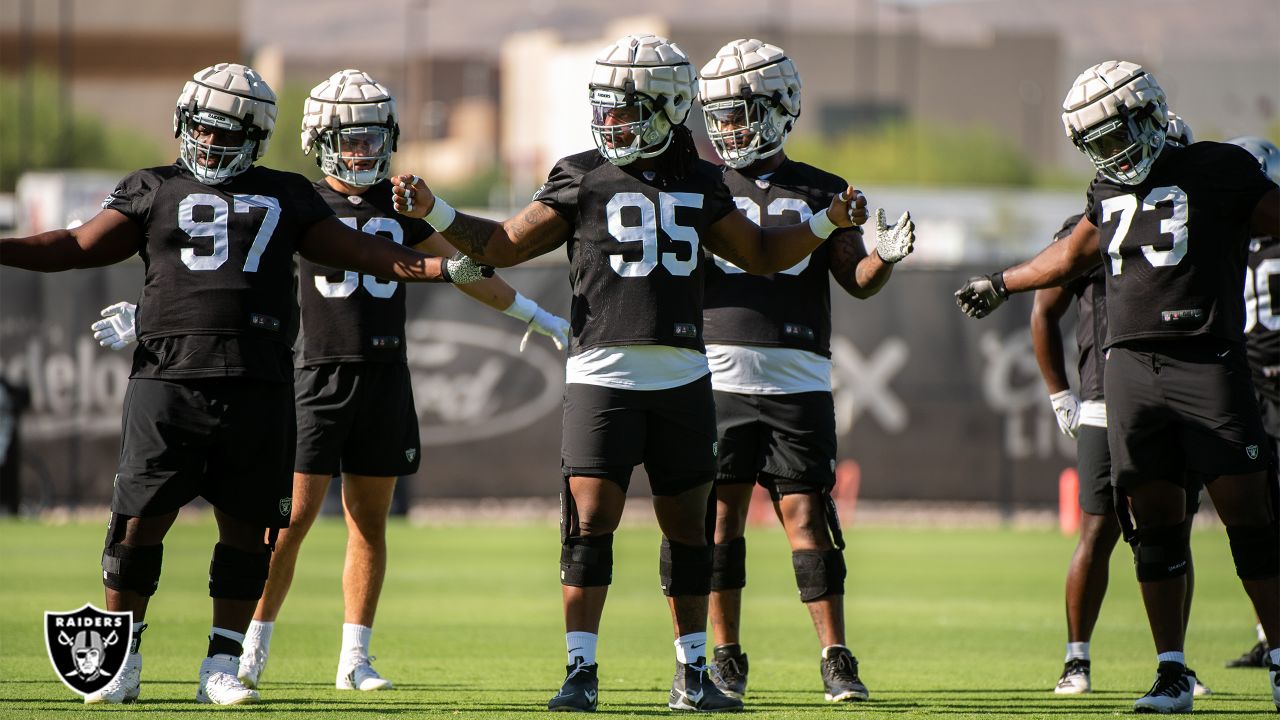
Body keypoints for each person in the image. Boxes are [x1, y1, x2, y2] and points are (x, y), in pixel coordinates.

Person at [392, 33, 883, 713]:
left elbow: (766, 256)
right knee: (588, 524)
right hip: (603, 372)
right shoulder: (580, 172)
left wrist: (829, 219)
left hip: (684, 375)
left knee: (690, 533)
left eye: (627, 107)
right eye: (607, 106)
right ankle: (579, 670)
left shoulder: (704, 181)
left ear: (669, 105)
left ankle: (693, 673)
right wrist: (438, 214)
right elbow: (505, 243)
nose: (611, 120)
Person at [0, 62, 493, 706]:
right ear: (184, 124)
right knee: (137, 524)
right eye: (203, 129)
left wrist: (441, 266)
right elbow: (75, 244)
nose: (210, 142)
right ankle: (123, 657)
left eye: (227, 132)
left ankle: (222, 664)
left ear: (256, 137)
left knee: (249, 528)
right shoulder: (153, 185)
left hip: (258, 380)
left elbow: (364, 251)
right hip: (167, 378)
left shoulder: (289, 193)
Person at [88, 69, 571, 693]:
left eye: (373, 139)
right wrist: (147, 317)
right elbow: (207, 261)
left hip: (383, 371)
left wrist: (536, 314)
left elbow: (463, 267)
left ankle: (354, 658)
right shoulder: (296, 200)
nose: (362, 152)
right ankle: (247, 652)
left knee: (371, 523)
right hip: (312, 373)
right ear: (318, 139)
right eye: (349, 139)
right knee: (283, 525)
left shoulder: (401, 205)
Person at [955, 60, 1280, 714]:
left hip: (1206, 359)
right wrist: (1003, 281)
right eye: (1096, 143)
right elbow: (1074, 252)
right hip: (1129, 371)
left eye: (1115, 135)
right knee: (1154, 528)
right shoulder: (1106, 189)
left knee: (1253, 521)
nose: (1111, 152)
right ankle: (1171, 671)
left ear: (1150, 114)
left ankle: (1278, 660)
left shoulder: (1216, 167)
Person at [693, 38, 913, 704]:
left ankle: (835, 656)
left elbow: (857, 281)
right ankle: (725, 655)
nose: (728, 127)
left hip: (797, 377)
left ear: (780, 108)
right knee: (721, 522)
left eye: (740, 112)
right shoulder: (702, 185)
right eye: (720, 114)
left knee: (809, 519)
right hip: (718, 373)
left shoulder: (822, 189)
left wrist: (884, 257)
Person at [1223, 135, 1280, 671]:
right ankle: (1270, 635)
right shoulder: (1236, 237)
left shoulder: (1237, 239)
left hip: (1255, 387)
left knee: (1260, 517)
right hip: (1248, 387)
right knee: (1256, 519)